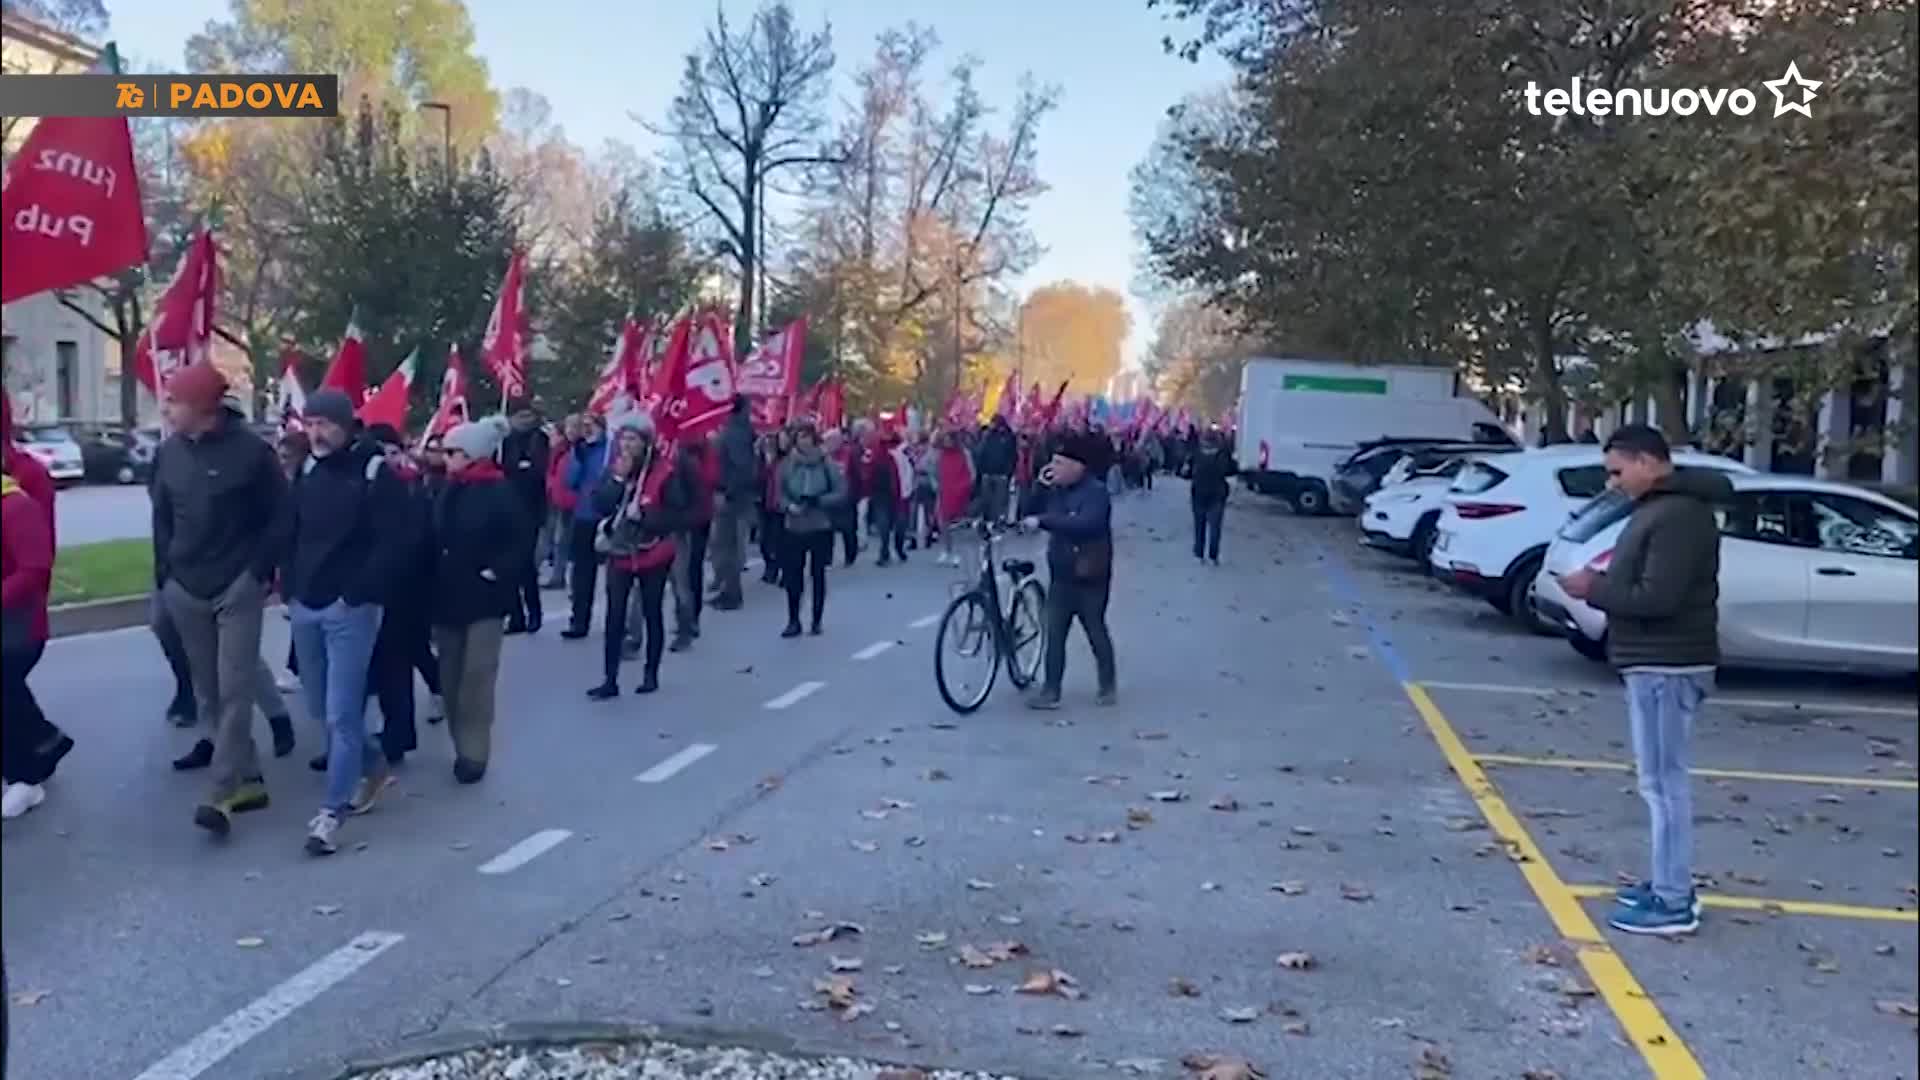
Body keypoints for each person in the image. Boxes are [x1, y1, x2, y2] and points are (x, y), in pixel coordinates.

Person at [1556, 425, 1730, 937]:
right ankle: (1666, 885)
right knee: (1658, 782)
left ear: (1649, 462)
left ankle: (1673, 900)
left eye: (1618, 471)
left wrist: (1594, 588)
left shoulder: (1677, 516)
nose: (1613, 483)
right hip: (1657, 662)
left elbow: (1658, 598)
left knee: (1662, 784)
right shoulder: (1663, 510)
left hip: (1667, 665)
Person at [150, 364, 287, 836]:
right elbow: (162, 519)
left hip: (237, 585)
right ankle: (249, 779)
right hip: (185, 585)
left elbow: (280, 517)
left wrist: (257, 574)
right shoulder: (167, 454)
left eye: (173, 401)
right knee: (208, 691)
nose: (164, 409)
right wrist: (164, 577)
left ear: (203, 407)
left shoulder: (253, 453)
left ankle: (221, 789)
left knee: (235, 687)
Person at [282, 393, 411, 856]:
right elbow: (290, 530)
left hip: (349, 610)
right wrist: (288, 585)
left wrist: (355, 594)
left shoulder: (376, 474)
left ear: (347, 425)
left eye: (324, 424)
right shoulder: (307, 471)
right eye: (309, 423)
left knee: (340, 713)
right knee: (321, 707)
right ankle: (373, 764)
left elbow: (396, 543)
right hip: (306, 605)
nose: (315, 433)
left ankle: (330, 814)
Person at [429, 417, 525, 783]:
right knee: (449, 675)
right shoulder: (446, 489)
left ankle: (474, 751)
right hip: (447, 597)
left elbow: (518, 540)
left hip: (485, 599)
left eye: (453, 451)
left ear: (473, 454)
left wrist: (497, 572)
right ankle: (459, 742)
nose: (446, 457)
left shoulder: (500, 491)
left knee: (477, 677)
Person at [587, 413, 691, 699]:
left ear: (646, 442)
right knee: (615, 615)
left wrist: (645, 516)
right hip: (619, 553)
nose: (627, 445)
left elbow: (676, 514)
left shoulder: (665, 472)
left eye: (633, 439)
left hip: (652, 553)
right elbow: (599, 504)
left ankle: (651, 674)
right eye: (624, 439)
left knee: (651, 611)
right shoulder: (615, 469)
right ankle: (610, 679)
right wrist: (618, 480)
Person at [360, 424, 440, 764]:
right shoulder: (372, 486)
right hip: (378, 588)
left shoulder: (414, 488)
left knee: (398, 663)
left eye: (393, 452)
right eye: (382, 454)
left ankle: (398, 735)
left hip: (408, 589)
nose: (388, 460)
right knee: (380, 665)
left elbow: (422, 542)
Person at [1019, 434, 1118, 709]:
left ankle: (1107, 684)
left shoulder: (1096, 492)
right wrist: (1039, 487)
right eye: (1053, 461)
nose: (1054, 467)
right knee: (1054, 632)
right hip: (1062, 574)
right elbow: (1027, 511)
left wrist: (1045, 521)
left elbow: (1087, 524)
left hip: (1090, 574)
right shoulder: (1055, 490)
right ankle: (1051, 690)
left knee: (1095, 630)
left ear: (1078, 467)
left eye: (1060, 463)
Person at [2, 459, 73, 819]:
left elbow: (34, 568)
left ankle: (26, 778)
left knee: (5, 690)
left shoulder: (15, 506)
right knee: (9, 696)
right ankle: (44, 744)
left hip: (18, 626)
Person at [776, 420, 846, 638]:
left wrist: (820, 501)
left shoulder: (826, 463)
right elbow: (778, 493)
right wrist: (789, 506)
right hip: (794, 525)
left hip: (819, 524)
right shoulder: (787, 464)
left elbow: (841, 491)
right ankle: (793, 619)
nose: (804, 441)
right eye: (800, 437)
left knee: (818, 574)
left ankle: (816, 619)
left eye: (807, 437)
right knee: (793, 575)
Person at [498, 399, 550, 633]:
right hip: (507, 507)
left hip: (530, 508)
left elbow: (538, 470)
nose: (525, 421)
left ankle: (534, 612)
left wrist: (522, 467)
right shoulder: (504, 441)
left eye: (528, 416)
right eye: (520, 416)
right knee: (507, 565)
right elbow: (504, 468)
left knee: (525, 564)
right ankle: (515, 614)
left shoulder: (539, 438)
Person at [560, 414, 610, 639]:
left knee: (615, 571)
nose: (587, 430)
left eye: (591, 426)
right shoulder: (580, 450)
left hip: (608, 516)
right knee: (582, 572)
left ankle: (620, 620)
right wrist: (578, 459)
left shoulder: (611, 448)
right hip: (584, 515)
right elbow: (570, 482)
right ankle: (579, 620)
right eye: (584, 426)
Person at [668, 432, 718, 652]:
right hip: (661, 523)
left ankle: (687, 624)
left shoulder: (690, 456)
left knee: (685, 576)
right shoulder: (654, 455)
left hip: (687, 522)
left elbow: (708, 481)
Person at [708, 395, 758, 610]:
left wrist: (726, 492)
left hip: (733, 498)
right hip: (733, 495)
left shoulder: (735, 433)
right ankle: (728, 590)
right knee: (725, 547)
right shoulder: (738, 430)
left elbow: (741, 468)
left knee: (728, 547)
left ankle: (732, 593)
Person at [542, 415, 581, 588]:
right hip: (556, 498)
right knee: (552, 538)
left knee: (564, 540)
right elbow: (551, 471)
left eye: (575, 427)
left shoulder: (581, 449)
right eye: (569, 427)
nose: (571, 430)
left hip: (573, 501)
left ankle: (563, 577)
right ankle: (557, 575)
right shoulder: (560, 449)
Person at [1188, 430, 1237, 564]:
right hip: (1217, 493)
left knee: (1199, 525)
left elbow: (1187, 471)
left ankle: (1199, 554)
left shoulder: (1196, 453)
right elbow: (1231, 470)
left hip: (1198, 493)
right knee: (1215, 526)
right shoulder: (1223, 454)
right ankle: (1213, 555)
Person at [933, 429, 975, 565]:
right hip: (944, 492)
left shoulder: (964, 454)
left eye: (948, 439)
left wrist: (965, 487)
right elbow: (934, 470)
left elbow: (972, 473)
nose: (946, 442)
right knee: (943, 523)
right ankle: (946, 550)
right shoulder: (940, 455)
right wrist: (936, 484)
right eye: (944, 439)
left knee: (957, 523)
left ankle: (957, 551)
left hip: (960, 492)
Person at [974, 415, 1017, 524]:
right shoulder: (988, 436)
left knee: (999, 501)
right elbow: (981, 453)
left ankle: (997, 521)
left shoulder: (1009, 437)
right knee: (986, 499)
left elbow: (1012, 456)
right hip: (987, 473)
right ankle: (986, 520)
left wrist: (1008, 472)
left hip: (1001, 474)